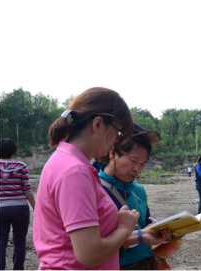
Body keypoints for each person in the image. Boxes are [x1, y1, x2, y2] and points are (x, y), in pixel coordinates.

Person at [32, 87, 140, 269]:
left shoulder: (65, 160)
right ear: (98, 124)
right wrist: (124, 228)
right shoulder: (75, 171)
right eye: (118, 132)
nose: (117, 140)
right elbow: (89, 254)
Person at [97, 124, 171, 269]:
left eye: (142, 164)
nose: (137, 169)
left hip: (147, 263)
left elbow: (145, 224)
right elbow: (92, 245)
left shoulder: (139, 190)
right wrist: (139, 236)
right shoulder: (95, 190)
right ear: (112, 153)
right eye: (133, 161)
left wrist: (160, 231)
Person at [0, 139, 35, 270]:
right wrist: (35, 207)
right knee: (20, 240)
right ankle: (18, 268)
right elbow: (27, 190)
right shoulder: (21, 166)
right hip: (20, 208)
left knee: (0, 240)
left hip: (0, 209)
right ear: (14, 151)